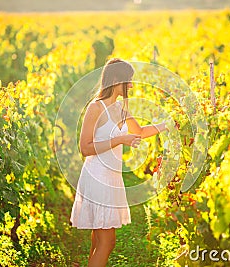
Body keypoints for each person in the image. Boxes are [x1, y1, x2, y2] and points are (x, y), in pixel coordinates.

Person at [70, 58, 168, 267]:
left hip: (111, 178)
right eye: (129, 81)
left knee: (99, 240)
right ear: (116, 80)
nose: (131, 86)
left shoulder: (119, 109)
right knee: (107, 242)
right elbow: (85, 148)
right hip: (97, 177)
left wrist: (167, 125)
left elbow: (140, 132)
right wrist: (120, 140)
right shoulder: (95, 108)